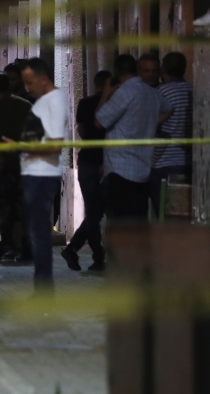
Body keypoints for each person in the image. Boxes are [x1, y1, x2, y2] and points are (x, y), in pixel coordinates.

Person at [96, 54, 173, 220]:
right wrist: (152, 122)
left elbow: (99, 122)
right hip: (143, 171)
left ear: (116, 72)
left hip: (121, 171)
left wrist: (105, 94)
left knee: (121, 223)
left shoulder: (124, 93)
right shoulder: (151, 93)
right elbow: (169, 108)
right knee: (138, 222)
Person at [16, 58, 68, 289]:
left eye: (29, 82)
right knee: (36, 233)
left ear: (43, 79)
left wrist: (24, 148)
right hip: (34, 174)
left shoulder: (55, 100)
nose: (27, 88)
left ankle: (44, 290)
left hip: (41, 175)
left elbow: (55, 146)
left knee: (40, 235)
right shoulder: (46, 101)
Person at [61, 71, 112, 272]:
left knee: (93, 212)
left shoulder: (85, 103)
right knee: (96, 212)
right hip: (104, 162)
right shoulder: (114, 104)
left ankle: (77, 250)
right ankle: (96, 257)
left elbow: (81, 131)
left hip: (87, 161)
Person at [0, 72, 31, 262]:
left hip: (0, 165)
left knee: (2, 207)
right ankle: (23, 247)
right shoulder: (25, 105)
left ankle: (8, 245)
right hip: (23, 163)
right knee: (22, 207)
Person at [150, 52, 192, 215]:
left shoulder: (159, 93)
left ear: (163, 69)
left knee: (164, 214)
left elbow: (150, 124)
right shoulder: (195, 91)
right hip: (190, 162)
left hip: (164, 162)